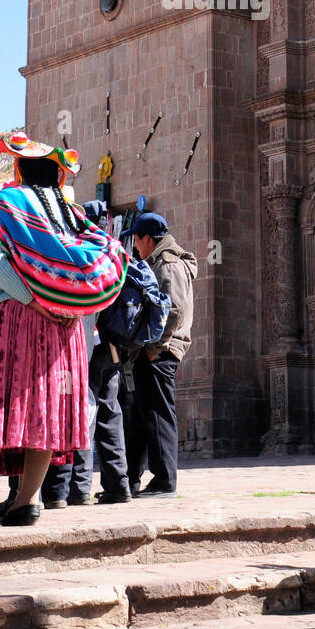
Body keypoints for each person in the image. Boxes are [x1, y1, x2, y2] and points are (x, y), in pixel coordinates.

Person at [0, 132, 127, 530]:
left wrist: (32, 300)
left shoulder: (6, 203)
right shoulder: (72, 214)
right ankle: (27, 501)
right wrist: (62, 305)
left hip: (12, 318)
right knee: (47, 405)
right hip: (64, 327)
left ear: (20, 169)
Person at [126, 213, 197, 499]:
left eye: (137, 240)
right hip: (154, 349)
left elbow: (174, 310)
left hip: (162, 350)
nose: (135, 246)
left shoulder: (167, 264)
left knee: (158, 414)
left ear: (148, 239)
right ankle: (138, 476)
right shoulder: (157, 261)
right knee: (145, 415)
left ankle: (165, 479)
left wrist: (154, 349)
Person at [67, 201, 132, 506]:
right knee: (109, 412)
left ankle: (78, 486)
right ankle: (119, 484)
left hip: (89, 345)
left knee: (83, 411)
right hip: (114, 347)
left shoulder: (83, 254)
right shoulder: (115, 253)